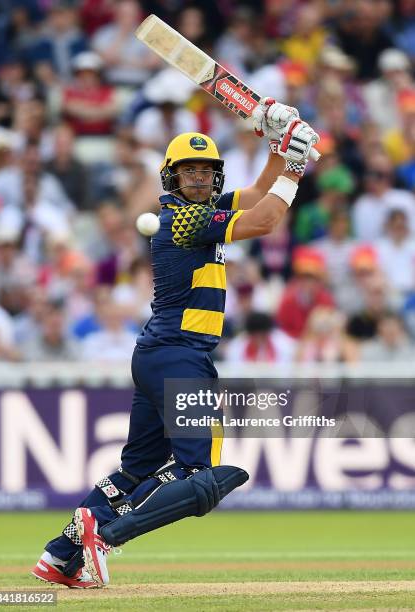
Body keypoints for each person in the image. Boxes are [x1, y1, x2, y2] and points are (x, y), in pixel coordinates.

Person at [31, 99, 319, 587]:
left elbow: (255, 194)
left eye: (207, 172)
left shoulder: (200, 211)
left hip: (158, 355)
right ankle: (105, 537)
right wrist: (296, 163)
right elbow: (267, 219)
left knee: (135, 469)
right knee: (200, 474)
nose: (199, 178)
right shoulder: (185, 220)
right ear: (171, 177)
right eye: (189, 172)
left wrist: (278, 144)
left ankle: (60, 555)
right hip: (181, 357)